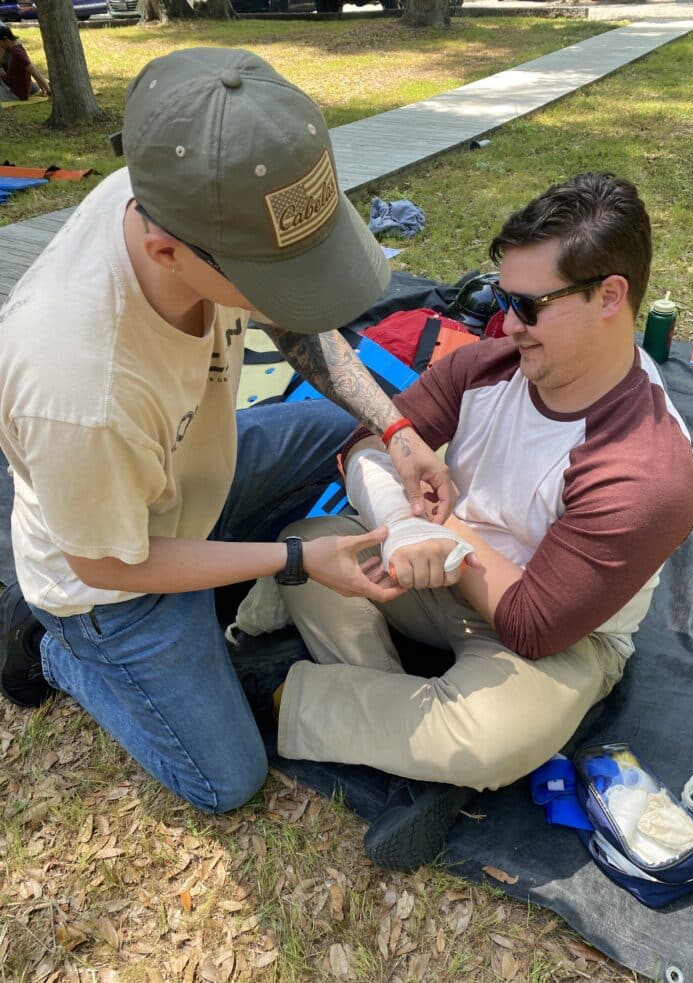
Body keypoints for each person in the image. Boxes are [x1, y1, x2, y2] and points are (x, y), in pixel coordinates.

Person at [0, 47, 456, 814]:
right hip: (110, 581)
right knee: (225, 779)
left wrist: (397, 427)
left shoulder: (179, 190)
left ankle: (223, 570)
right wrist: (294, 560)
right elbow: (110, 563)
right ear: (166, 251)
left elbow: (297, 323)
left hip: (187, 478)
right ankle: (51, 651)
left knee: (328, 428)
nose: (292, 294)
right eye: (274, 276)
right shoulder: (79, 388)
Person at [273, 172, 693, 871]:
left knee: (494, 735)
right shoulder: (488, 364)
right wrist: (399, 522)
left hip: (555, 633)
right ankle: (418, 760)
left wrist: (440, 536)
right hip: (436, 570)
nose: (504, 322)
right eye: (502, 298)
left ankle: (291, 699)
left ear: (609, 297)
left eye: (526, 305)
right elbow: (365, 445)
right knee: (310, 549)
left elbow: (533, 623)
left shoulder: (644, 470)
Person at [0, 25, 50, 101]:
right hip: (10, 85)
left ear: (5, 40)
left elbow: (33, 70)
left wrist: (48, 91)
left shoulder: (17, 53)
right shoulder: (16, 47)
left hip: (13, 92)